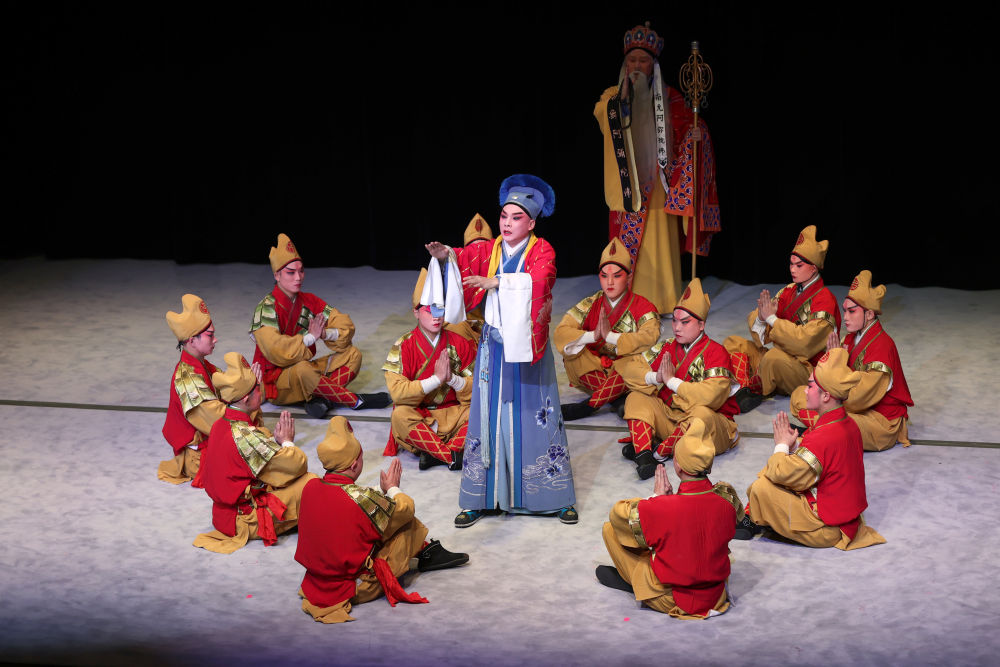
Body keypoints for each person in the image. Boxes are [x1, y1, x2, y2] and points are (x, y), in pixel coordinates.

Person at [426, 174, 578, 527]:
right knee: (487, 417)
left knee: (535, 417)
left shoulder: (543, 251)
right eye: (504, 216)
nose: (507, 224)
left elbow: (541, 280)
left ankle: (554, 496)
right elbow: (464, 259)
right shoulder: (489, 250)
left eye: (517, 218)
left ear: (532, 222)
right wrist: (446, 257)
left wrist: (498, 282)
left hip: (527, 350)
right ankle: (480, 497)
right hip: (493, 348)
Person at [595, 22, 721, 313]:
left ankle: (662, 302)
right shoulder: (612, 96)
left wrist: (696, 135)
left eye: (643, 61)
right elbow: (603, 116)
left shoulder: (669, 97)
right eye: (632, 61)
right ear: (625, 64)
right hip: (627, 190)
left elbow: (686, 130)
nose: (637, 66)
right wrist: (621, 101)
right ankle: (627, 300)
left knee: (660, 245)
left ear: (653, 65)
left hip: (659, 188)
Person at [294, 416, 469, 624]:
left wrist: (379, 492)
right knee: (406, 523)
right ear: (354, 465)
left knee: (369, 521)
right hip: (354, 587)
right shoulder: (361, 500)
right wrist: (393, 488)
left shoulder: (310, 486)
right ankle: (426, 553)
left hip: (313, 583)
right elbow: (406, 509)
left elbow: (338, 503)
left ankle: (425, 552)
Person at [738, 348, 886, 549]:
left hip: (826, 529)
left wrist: (781, 445)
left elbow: (783, 473)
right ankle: (758, 515)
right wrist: (794, 445)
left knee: (761, 487)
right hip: (843, 518)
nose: (805, 391)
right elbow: (825, 460)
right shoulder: (846, 423)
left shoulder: (825, 435)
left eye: (810, 386)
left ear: (826, 396)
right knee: (777, 468)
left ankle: (754, 518)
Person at [596, 419, 742, 619]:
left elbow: (618, 515)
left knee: (611, 530)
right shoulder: (726, 497)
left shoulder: (660, 508)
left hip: (675, 599)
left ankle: (637, 585)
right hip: (717, 595)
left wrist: (656, 498)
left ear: (678, 466)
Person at [248, 233, 389, 418]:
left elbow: (344, 324)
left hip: (305, 374)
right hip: (276, 383)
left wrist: (325, 334)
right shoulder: (265, 308)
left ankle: (321, 401)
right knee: (303, 368)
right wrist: (310, 338)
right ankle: (355, 401)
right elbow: (276, 351)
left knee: (353, 354)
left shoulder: (309, 301)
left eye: (301, 271)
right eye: (291, 272)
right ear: (277, 275)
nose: (298, 277)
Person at [193, 352, 317, 554]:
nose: (262, 392)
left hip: (221, 516)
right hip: (244, 520)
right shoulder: (246, 436)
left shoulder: (220, 424)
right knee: (311, 483)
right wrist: (287, 441)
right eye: (258, 389)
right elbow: (296, 466)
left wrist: (273, 442)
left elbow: (255, 439)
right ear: (245, 398)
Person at [617, 278, 739, 479]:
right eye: (674, 320)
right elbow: (631, 368)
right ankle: (645, 457)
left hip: (710, 429)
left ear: (701, 324)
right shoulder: (668, 346)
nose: (676, 328)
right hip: (674, 420)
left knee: (701, 414)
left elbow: (710, 397)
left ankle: (658, 452)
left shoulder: (717, 352)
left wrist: (671, 382)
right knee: (636, 398)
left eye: (685, 322)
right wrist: (655, 377)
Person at [790, 270, 913, 451]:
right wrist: (830, 363)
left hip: (879, 421)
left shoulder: (882, 346)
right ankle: (822, 429)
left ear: (869, 314)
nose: (845, 317)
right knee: (800, 396)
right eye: (844, 310)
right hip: (851, 406)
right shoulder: (849, 338)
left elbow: (858, 400)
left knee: (840, 419)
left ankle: (814, 433)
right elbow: (824, 382)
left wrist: (833, 368)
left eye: (852, 311)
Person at [724, 225, 841, 412]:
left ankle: (754, 388)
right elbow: (764, 332)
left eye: (799, 265)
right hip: (781, 360)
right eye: (791, 264)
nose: (793, 269)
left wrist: (772, 319)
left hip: (807, 371)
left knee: (773, 358)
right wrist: (762, 317)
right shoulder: (789, 291)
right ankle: (745, 387)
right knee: (734, 343)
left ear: (813, 268)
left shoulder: (825, 299)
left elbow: (805, 343)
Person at [554, 236, 660, 421]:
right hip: (602, 371)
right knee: (572, 354)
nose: (609, 282)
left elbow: (650, 337)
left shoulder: (644, 307)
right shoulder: (590, 303)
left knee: (638, 361)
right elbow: (561, 332)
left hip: (626, 372)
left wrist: (610, 337)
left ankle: (589, 405)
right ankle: (619, 399)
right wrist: (592, 335)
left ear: (629, 277)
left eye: (617, 276)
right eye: (604, 276)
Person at [382, 268, 476, 470]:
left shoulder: (460, 343)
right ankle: (452, 455)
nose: (436, 316)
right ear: (415, 312)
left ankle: (435, 454)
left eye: (440, 309)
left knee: (483, 409)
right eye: (429, 310)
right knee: (400, 415)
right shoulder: (403, 346)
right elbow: (398, 393)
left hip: (454, 414)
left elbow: (477, 388)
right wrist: (436, 380)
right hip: (422, 418)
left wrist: (452, 379)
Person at [159, 294, 228, 485]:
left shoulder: (201, 365)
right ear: (191, 340)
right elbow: (216, 421)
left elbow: (227, 385)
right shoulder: (188, 380)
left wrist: (247, 385)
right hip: (197, 458)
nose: (215, 339)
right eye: (210, 335)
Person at [446, 213, 494, 343]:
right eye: (473, 250)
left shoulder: (500, 264)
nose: (479, 254)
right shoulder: (458, 264)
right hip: (468, 325)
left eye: (484, 248)